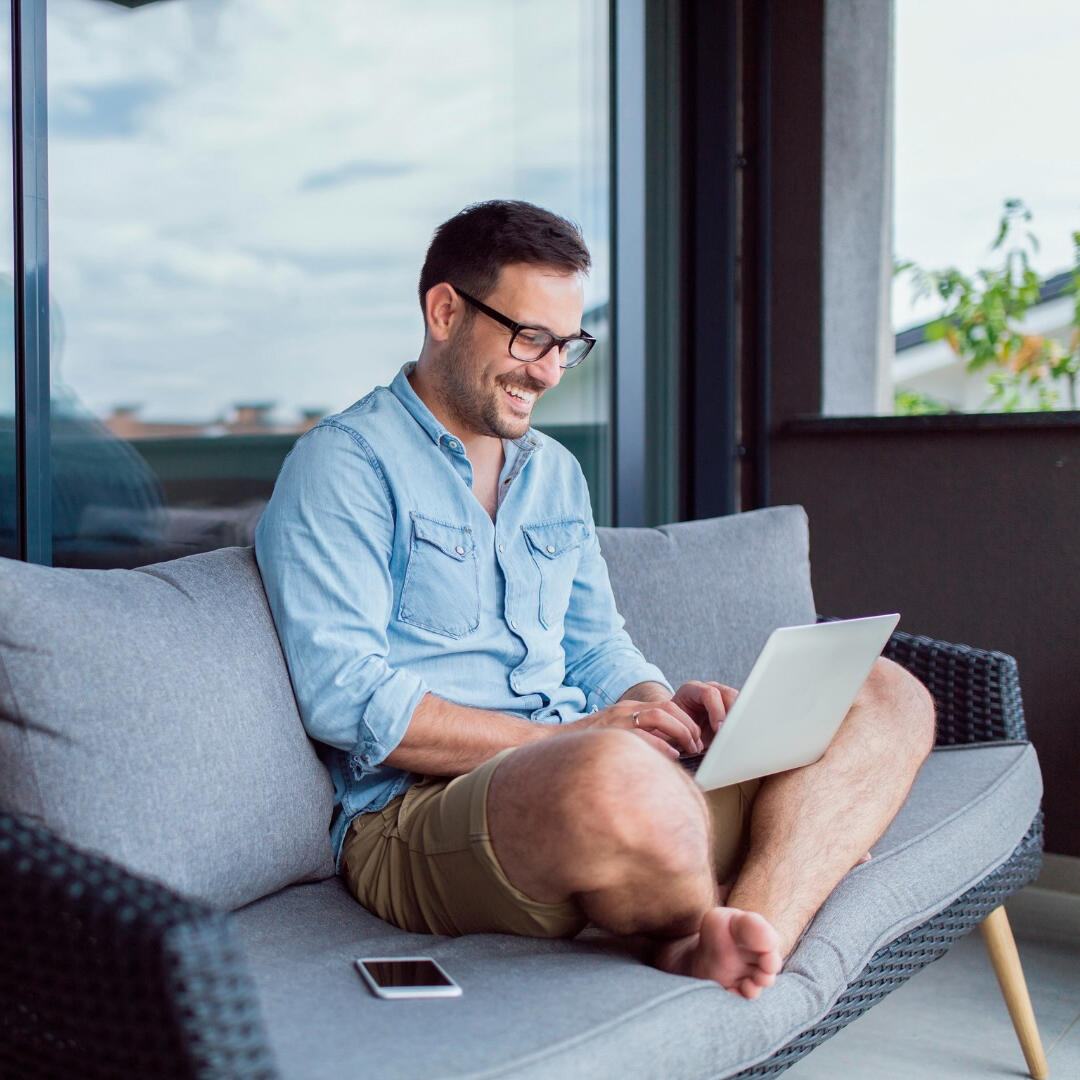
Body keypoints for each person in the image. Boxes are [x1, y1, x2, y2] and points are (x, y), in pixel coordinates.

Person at [255, 199, 935, 1000]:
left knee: (888, 692)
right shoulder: (346, 466)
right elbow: (346, 696)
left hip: (604, 777)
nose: (546, 370)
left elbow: (595, 647)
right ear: (444, 310)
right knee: (612, 775)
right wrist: (570, 738)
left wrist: (657, 709)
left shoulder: (553, 473)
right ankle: (773, 856)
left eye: (567, 345)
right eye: (528, 337)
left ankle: (746, 929)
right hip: (421, 820)